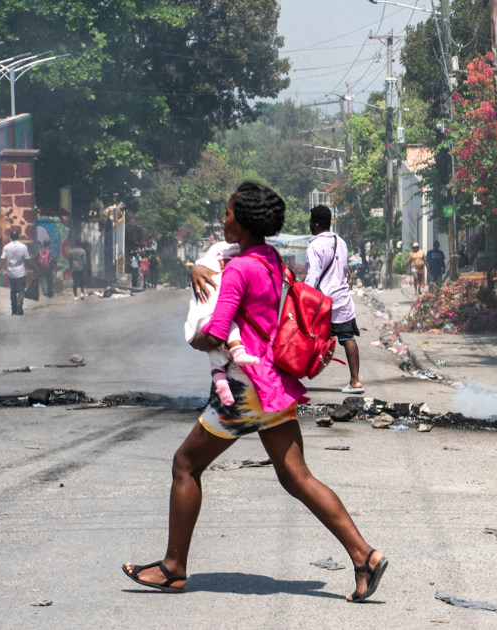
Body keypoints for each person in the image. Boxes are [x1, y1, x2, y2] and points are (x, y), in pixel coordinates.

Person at [124, 181, 387, 602]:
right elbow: (224, 270)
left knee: (185, 466)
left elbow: (215, 332)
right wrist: (196, 267)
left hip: (245, 390)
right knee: (297, 477)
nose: (223, 219)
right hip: (274, 384)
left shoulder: (241, 269)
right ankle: (364, 556)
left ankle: (173, 569)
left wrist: (195, 338)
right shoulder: (269, 259)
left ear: (242, 221)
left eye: (227, 213)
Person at [183, 240, 261, 406]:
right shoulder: (222, 263)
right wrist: (198, 269)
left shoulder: (252, 261)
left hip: (249, 352)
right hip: (234, 343)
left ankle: (219, 400)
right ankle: (219, 397)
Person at [306, 205, 364, 395]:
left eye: (310, 222)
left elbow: (313, 275)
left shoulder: (315, 245)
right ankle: (355, 381)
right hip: (342, 299)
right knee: (348, 338)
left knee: (305, 336)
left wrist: (303, 295)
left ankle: (291, 377)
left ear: (315, 224)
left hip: (322, 301)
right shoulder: (341, 241)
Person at [1, 229, 31, 315]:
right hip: (21, 271)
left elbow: (2, 260)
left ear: (10, 238)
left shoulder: (6, 247)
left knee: (13, 291)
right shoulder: (24, 247)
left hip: (11, 272)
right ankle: (19, 303)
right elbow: (27, 260)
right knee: (21, 290)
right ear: (18, 237)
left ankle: (13, 309)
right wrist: (34, 269)